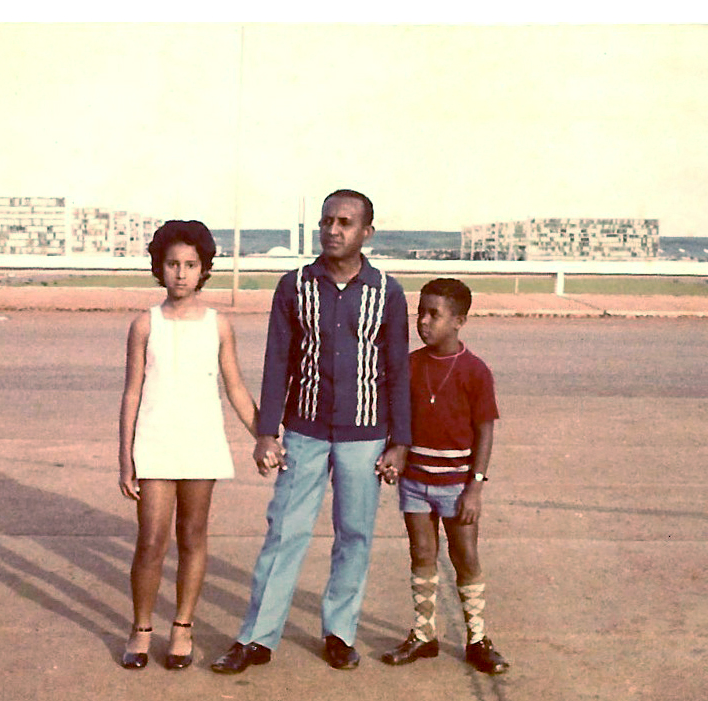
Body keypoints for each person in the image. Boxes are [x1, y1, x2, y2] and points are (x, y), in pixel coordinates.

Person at [211, 189, 411, 674]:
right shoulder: (294, 285)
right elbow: (277, 360)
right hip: (304, 430)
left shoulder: (387, 291)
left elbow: (398, 369)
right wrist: (266, 432)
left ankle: (340, 632)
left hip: (365, 435)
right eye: (327, 221)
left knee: (355, 534)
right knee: (286, 532)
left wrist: (401, 441)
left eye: (345, 222)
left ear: (367, 232)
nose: (333, 230)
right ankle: (257, 638)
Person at [118, 219, 272, 670]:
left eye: (190, 265)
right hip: (155, 443)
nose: (181, 274)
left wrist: (264, 436)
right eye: (172, 264)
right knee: (151, 540)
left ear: (204, 269)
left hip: (201, 442)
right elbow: (131, 393)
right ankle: (141, 627)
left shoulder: (218, 325)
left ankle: (182, 626)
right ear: (158, 267)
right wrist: (124, 458)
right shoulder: (144, 325)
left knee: (193, 536)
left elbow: (237, 388)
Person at [379, 278, 509, 674]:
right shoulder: (411, 365)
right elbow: (397, 417)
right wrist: (392, 453)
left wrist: (476, 487)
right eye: (421, 312)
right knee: (422, 553)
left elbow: (485, 429)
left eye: (435, 314)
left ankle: (477, 638)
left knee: (464, 555)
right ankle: (423, 634)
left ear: (459, 320)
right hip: (416, 480)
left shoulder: (475, 371)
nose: (424, 322)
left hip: (457, 485)